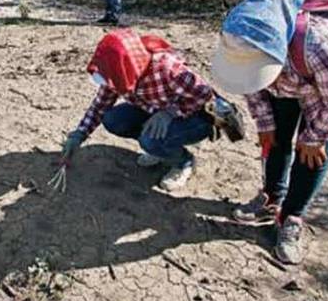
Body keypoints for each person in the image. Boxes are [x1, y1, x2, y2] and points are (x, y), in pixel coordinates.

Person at [210, 0, 328, 265]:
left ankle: (291, 217)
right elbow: (248, 83)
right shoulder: (240, 33)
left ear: (276, 53)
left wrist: (315, 137)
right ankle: (271, 197)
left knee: (312, 156)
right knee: (275, 139)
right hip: (289, 78)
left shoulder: (322, 47)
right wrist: (265, 124)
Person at [62, 28, 218, 191]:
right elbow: (101, 104)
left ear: (124, 66)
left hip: (195, 117)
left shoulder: (166, 67)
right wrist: (80, 133)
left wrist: (170, 113)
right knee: (113, 119)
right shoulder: (117, 72)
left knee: (150, 140)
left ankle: (183, 162)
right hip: (155, 110)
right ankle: (158, 148)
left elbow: (205, 95)